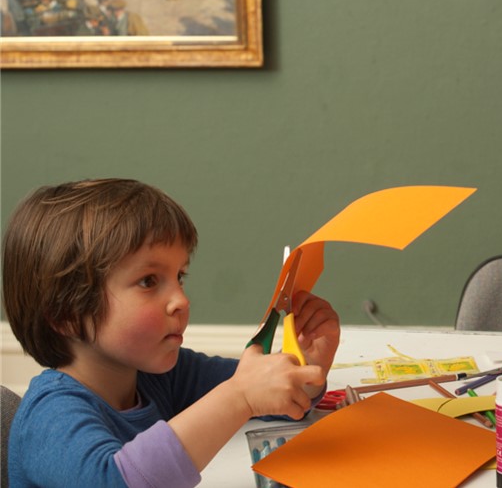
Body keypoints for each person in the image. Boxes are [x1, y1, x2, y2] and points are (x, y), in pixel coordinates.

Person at [3, 179, 341, 487]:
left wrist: (305, 367)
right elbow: (113, 481)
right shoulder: (49, 417)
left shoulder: (160, 375)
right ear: (66, 314)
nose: (180, 300)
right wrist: (238, 397)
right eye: (149, 281)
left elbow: (269, 401)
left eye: (180, 276)